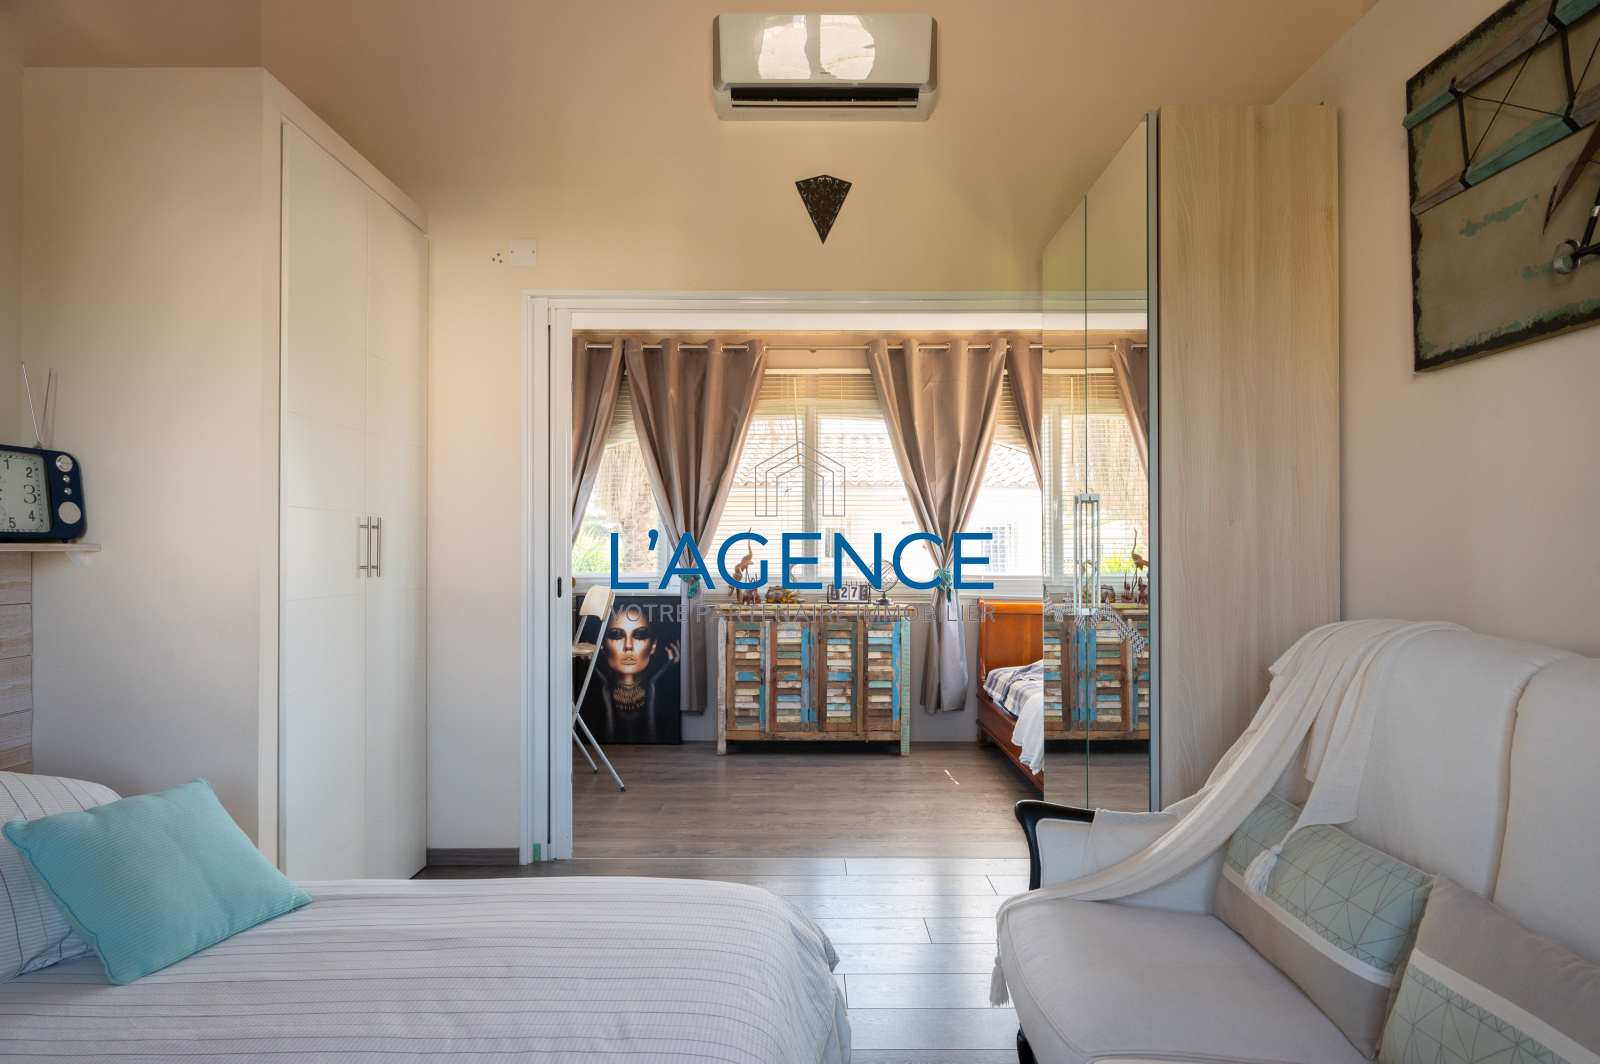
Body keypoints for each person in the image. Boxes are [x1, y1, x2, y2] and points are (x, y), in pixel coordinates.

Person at [590, 604, 680, 743]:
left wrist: (653, 686)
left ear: (653, 646)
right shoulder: (590, 701)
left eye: (639, 635)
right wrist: (605, 688)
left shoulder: (668, 701)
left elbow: (656, 744)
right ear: (602, 645)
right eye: (617, 635)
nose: (628, 646)